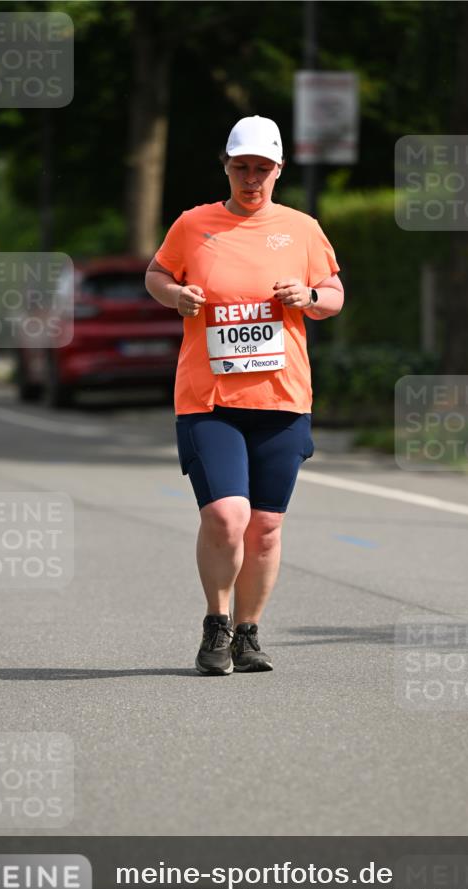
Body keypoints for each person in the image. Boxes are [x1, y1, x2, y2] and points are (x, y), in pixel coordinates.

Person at [145, 115, 344, 676]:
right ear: (226, 167)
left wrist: (307, 296)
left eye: (261, 169)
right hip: (209, 399)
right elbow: (156, 275)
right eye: (241, 168)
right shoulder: (194, 224)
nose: (251, 179)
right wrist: (176, 294)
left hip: (282, 400)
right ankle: (217, 621)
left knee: (266, 526)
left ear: (279, 170)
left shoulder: (302, 229)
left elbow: (334, 294)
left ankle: (249, 633)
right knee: (228, 516)